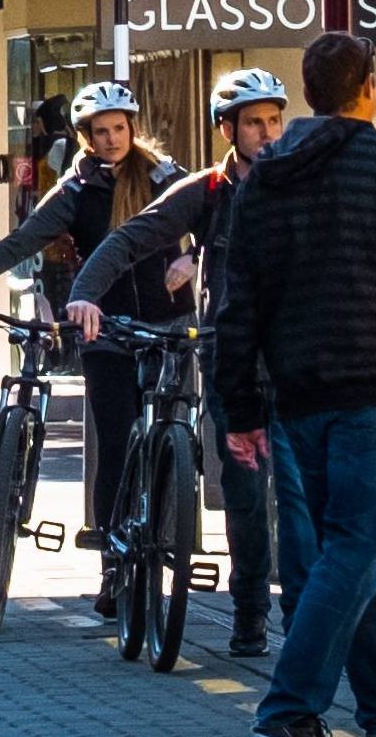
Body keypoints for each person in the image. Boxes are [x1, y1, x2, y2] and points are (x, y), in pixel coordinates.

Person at [205, 29, 376, 737]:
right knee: (353, 548)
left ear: (309, 93)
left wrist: (243, 409)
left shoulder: (265, 179)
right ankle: (289, 711)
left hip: (296, 391)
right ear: (369, 88)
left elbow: (238, 304)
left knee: (342, 556)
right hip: (371, 384)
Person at [77, 68, 291, 656]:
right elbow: (128, 239)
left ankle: (301, 618)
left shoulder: (303, 181)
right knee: (246, 495)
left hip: (300, 360)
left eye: (275, 120)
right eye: (254, 122)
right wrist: (84, 292)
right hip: (233, 362)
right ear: (228, 129)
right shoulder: (208, 191)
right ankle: (250, 615)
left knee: (298, 496)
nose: (267, 133)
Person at [0, 77, 174, 553]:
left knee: (168, 439)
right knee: (115, 442)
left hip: (167, 325)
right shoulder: (76, 190)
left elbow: (211, 222)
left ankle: (159, 544)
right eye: (101, 131)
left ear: (132, 129)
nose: (112, 139)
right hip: (103, 325)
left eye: (119, 128)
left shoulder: (165, 178)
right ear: (84, 137)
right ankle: (113, 563)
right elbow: (21, 242)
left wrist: (190, 258)